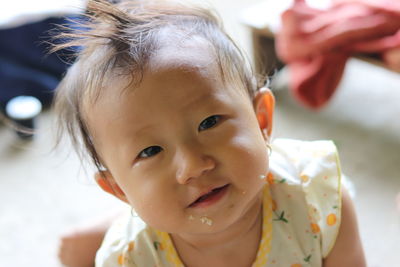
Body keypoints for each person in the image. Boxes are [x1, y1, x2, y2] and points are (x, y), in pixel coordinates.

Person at [54, 0, 366, 266]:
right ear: (118, 189)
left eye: (209, 122)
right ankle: (101, 228)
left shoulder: (319, 200)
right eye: (150, 151)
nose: (193, 165)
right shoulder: (130, 258)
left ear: (261, 121)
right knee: (74, 249)